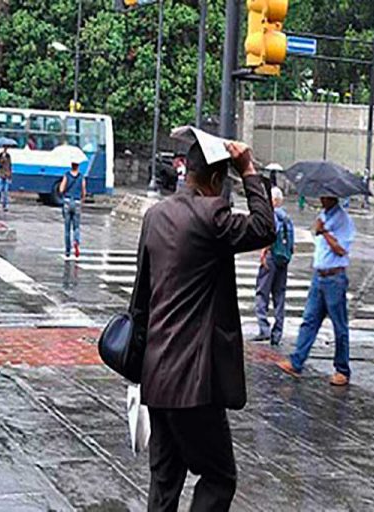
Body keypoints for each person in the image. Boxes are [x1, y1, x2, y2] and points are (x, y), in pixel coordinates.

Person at [131, 139, 275, 511]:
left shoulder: (155, 215)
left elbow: (140, 299)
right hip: (193, 381)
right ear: (215, 180)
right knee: (218, 476)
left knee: (164, 482)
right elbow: (264, 227)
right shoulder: (211, 217)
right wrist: (248, 170)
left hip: (157, 374)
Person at [277, 196, 356, 386]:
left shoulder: (344, 220)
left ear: (333, 197)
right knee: (309, 320)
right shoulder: (324, 215)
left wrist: (325, 232)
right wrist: (320, 227)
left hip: (334, 278)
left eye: (325, 195)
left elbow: (341, 250)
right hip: (319, 276)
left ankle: (342, 370)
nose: (321, 198)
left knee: (339, 326)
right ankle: (296, 362)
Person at [252, 186, 295, 346]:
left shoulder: (274, 215)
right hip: (283, 259)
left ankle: (264, 328)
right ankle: (277, 333)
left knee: (262, 292)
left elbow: (271, 234)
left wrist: (264, 253)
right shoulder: (287, 217)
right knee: (279, 295)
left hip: (271, 257)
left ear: (274, 200)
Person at [59, 156, 86, 259]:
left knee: (67, 228)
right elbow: (84, 191)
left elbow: (61, 189)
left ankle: (67, 251)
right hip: (77, 202)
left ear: (71, 165)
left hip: (67, 201)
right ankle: (76, 241)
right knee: (76, 226)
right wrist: (81, 200)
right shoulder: (81, 177)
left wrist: (65, 191)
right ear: (78, 166)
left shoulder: (66, 175)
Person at [0, 146, 12, 211]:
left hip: (7, 175)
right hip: (0, 174)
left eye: (6, 148)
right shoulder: (0, 155)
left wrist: (10, 176)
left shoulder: (8, 156)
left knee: (6, 191)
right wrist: (3, 158)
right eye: (4, 148)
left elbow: (10, 166)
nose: (5, 149)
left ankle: (5, 205)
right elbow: (0, 163)